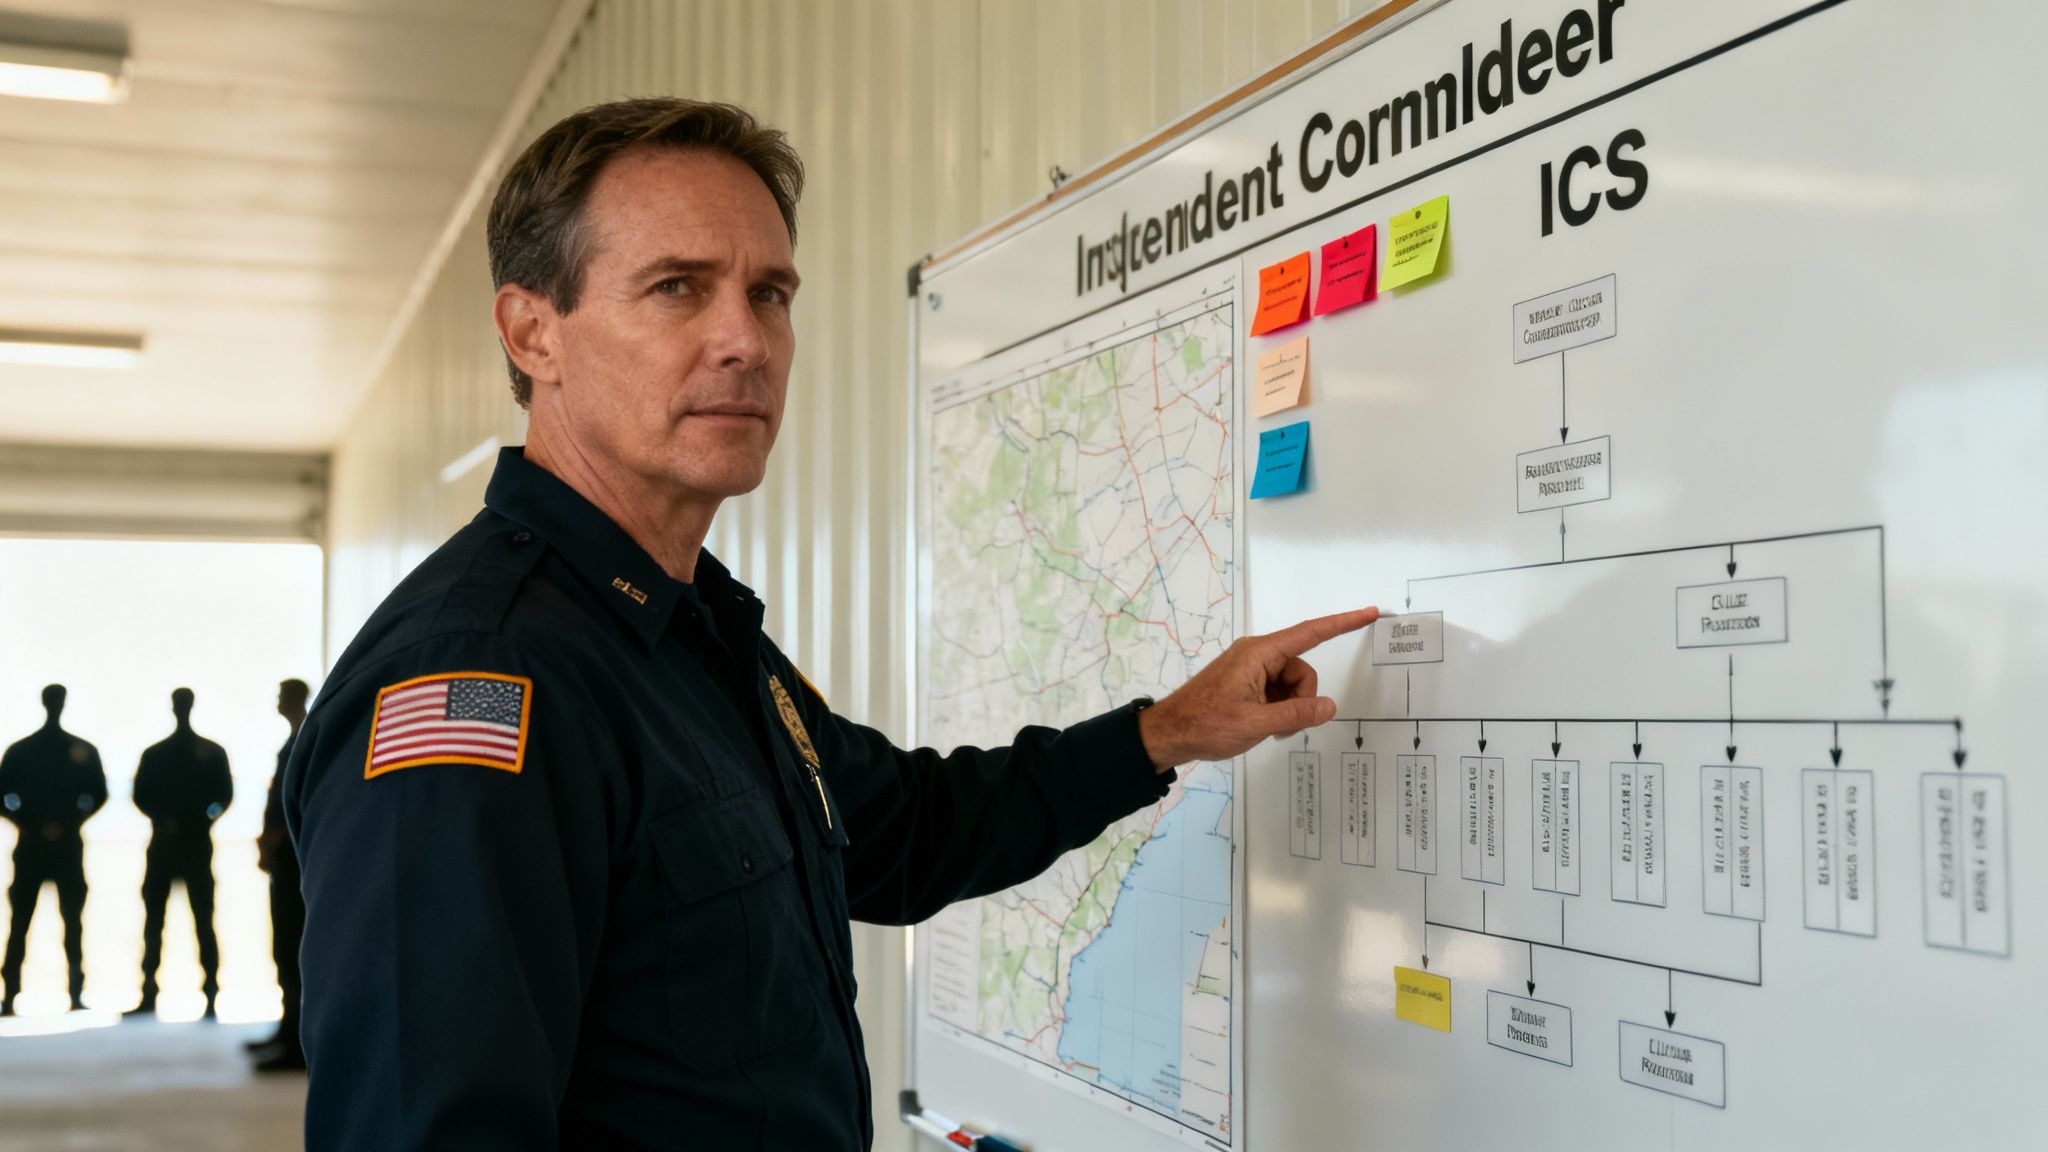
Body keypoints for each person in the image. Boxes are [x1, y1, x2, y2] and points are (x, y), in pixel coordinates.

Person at [285, 97, 1378, 1151]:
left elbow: (898, 834)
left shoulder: (694, 633)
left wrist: (1162, 734)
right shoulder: (479, 679)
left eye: (769, 294)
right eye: (676, 288)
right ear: (534, 332)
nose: (743, 341)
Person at [0, 684, 108, 1015]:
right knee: (39, 921)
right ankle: (62, 992)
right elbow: (97, 794)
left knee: (33, 920)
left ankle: (17, 994)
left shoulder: (23, 750)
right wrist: (68, 823)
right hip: (56, 844)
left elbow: (5, 798)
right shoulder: (76, 750)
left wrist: (31, 824)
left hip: (40, 844)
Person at [129, 687, 233, 1019]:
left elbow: (142, 796)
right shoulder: (199, 752)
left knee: (190, 920)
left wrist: (182, 820)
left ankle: (200, 992)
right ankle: (200, 992)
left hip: (178, 841)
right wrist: (200, 818)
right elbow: (223, 795)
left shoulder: (161, 753)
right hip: (184, 841)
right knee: (177, 920)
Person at [248, 678, 310, 1071]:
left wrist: (276, 840)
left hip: (295, 862)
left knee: (293, 949)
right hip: (286, 861)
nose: (276, 701)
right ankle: (288, 1030)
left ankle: (297, 1041)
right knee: (284, 949)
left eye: (281, 695)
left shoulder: (305, 740)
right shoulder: (296, 740)